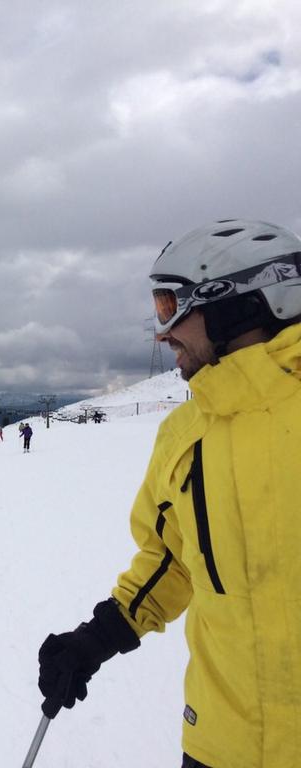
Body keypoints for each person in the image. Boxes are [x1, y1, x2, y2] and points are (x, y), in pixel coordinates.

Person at [35, 220, 301, 767]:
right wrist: (95, 640)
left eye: (172, 306)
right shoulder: (184, 437)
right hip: (222, 745)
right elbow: (172, 560)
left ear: (241, 305)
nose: (163, 332)